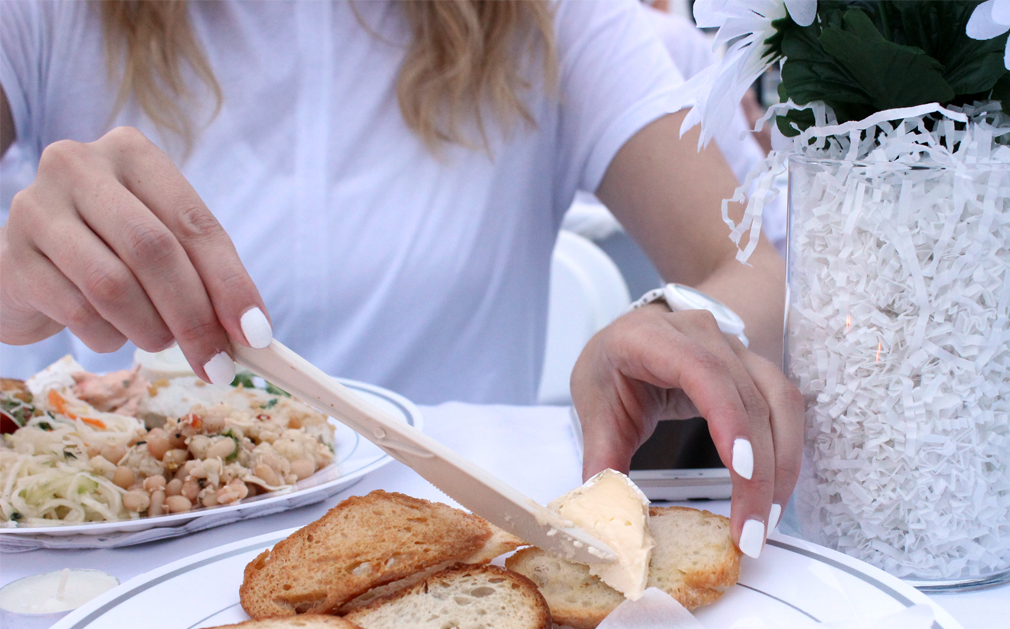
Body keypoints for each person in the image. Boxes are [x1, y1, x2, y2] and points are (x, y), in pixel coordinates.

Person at [0, 0, 803, 558]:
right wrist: (13, 283)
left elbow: (749, 266)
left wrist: (683, 317)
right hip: (94, 579)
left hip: (455, 561)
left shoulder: (554, 20)